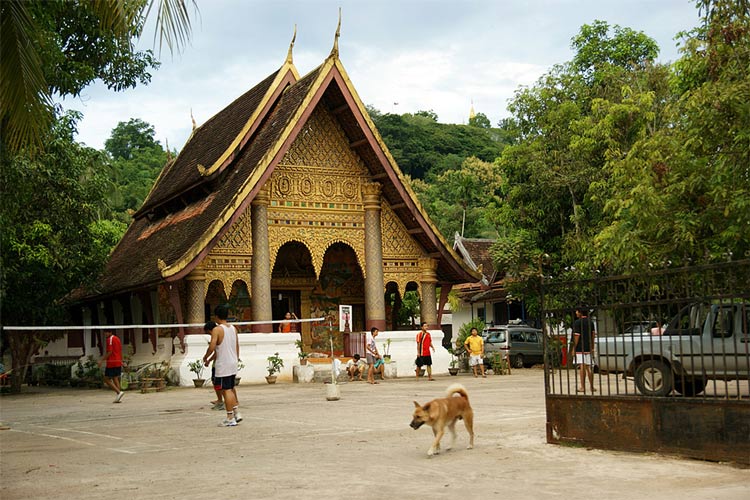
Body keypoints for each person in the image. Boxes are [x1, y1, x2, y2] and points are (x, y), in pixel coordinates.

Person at [203, 304, 242, 426]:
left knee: (226, 390)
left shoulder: (217, 329)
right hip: (232, 361)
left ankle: (230, 417)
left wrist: (206, 356)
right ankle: (235, 412)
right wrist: (236, 358)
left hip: (223, 363)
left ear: (216, 316)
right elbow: (237, 346)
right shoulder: (233, 328)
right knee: (230, 388)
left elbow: (212, 346)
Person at [571, 308, 596, 393]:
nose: (576, 312)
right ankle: (591, 386)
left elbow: (577, 336)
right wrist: (592, 347)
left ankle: (582, 386)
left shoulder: (577, 323)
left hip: (580, 348)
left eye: (577, 311)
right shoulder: (591, 322)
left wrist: (574, 348)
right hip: (588, 347)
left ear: (580, 312)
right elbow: (593, 335)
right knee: (589, 367)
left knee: (582, 366)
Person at [98, 331, 124, 403]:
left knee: (106, 379)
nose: (105, 334)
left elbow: (110, 352)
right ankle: (118, 397)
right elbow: (119, 350)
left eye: (106, 332)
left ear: (110, 332)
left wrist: (101, 360)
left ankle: (119, 392)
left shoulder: (110, 339)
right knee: (115, 378)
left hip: (112, 362)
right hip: (117, 361)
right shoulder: (117, 339)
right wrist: (121, 361)